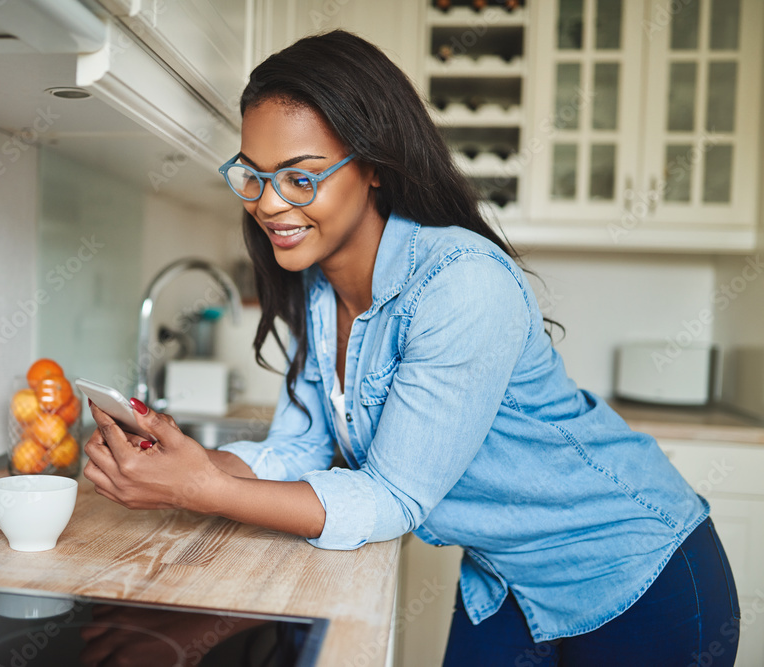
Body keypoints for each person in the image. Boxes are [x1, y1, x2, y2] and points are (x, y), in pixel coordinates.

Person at [83, 30, 741, 665]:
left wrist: (199, 487)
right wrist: (186, 462)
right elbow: (298, 448)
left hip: (635, 570)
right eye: (252, 176)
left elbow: (391, 497)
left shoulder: (460, 285)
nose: (270, 203)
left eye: (300, 177)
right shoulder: (317, 288)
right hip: (505, 576)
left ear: (372, 165)